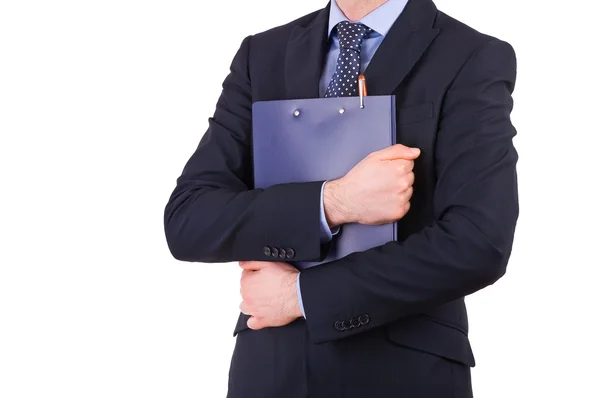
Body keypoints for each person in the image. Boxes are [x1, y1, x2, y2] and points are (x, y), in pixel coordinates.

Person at [164, 0, 519, 396]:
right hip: (271, 371)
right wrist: (335, 202)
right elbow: (188, 218)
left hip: (404, 372)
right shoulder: (261, 54)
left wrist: (301, 296)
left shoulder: (470, 56)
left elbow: (477, 242)